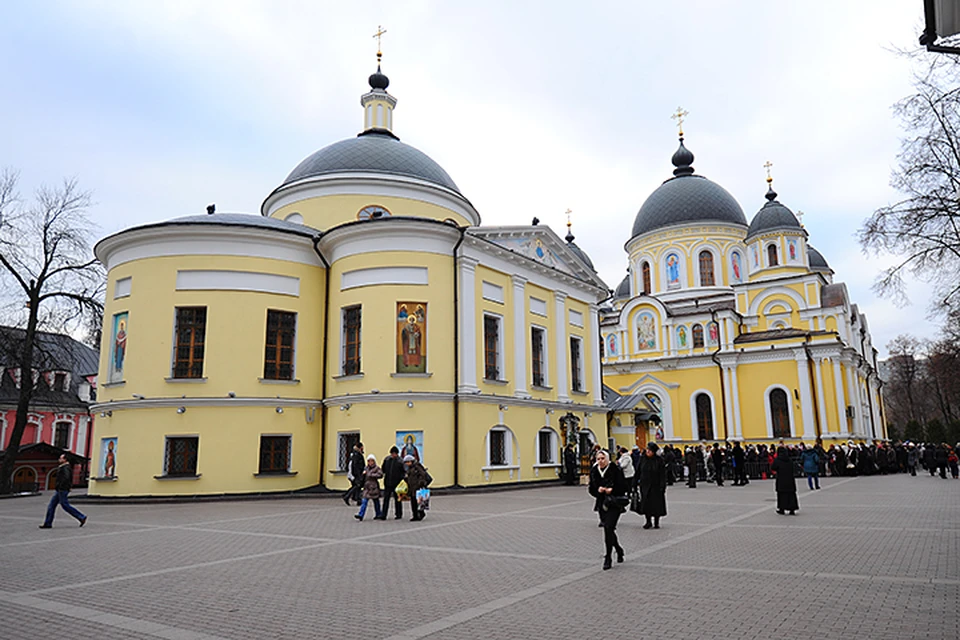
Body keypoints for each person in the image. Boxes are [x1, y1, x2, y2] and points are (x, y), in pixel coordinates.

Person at [588, 449, 627, 570]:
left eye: (602, 458)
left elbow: (623, 486)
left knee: (609, 527)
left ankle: (608, 557)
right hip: (602, 504)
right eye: (598, 459)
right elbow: (591, 488)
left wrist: (612, 490)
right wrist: (598, 490)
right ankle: (619, 550)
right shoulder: (594, 471)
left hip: (614, 504)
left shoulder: (615, 469)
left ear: (607, 459)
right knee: (608, 529)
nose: (600, 461)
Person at [39, 454, 87, 529]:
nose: (59, 459)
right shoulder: (64, 467)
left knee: (64, 505)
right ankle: (48, 523)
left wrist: (61, 487)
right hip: (61, 489)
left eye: (61, 458)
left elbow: (66, 478)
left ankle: (81, 516)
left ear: (65, 460)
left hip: (62, 489)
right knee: (52, 506)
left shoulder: (65, 468)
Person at [638, 443, 667, 529]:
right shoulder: (643, 459)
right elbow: (638, 471)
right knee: (646, 504)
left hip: (656, 486)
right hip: (645, 486)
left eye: (650, 450)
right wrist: (634, 482)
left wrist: (663, 485)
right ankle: (648, 521)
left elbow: (662, 474)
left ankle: (656, 522)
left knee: (656, 504)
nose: (648, 451)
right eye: (647, 450)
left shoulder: (659, 460)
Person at [355, 454, 384, 521]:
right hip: (367, 487)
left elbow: (380, 475)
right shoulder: (366, 468)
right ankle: (361, 515)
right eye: (369, 461)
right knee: (364, 501)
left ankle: (378, 514)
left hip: (374, 487)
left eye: (372, 461)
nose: (370, 462)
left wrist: (371, 475)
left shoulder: (377, 468)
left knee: (376, 501)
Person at [772, 446, 799, 515]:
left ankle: (782, 509)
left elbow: (773, 467)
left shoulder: (777, 460)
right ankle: (792, 509)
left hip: (781, 480)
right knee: (791, 495)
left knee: (781, 495)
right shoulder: (789, 460)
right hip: (790, 480)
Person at [403, 454, 430, 521]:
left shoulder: (417, 466)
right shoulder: (409, 468)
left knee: (419, 502)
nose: (407, 464)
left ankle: (421, 514)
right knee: (413, 502)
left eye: (407, 462)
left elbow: (422, 475)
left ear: (411, 461)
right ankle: (415, 515)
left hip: (418, 487)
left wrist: (420, 483)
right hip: (412, 488)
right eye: (406, 462)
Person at [381, 446, 405, 520]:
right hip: (388, 482)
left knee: (397, 499)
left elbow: (403, 471)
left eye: (395, 453)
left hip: (397, 483)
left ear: (397, 454)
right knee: (386, 499)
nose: (393, 455)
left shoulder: (400, 461)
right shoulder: (387, 460)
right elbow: (383, 469)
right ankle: (383, 514)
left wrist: (401, 479)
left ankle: (398, 514)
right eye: (392, 453)